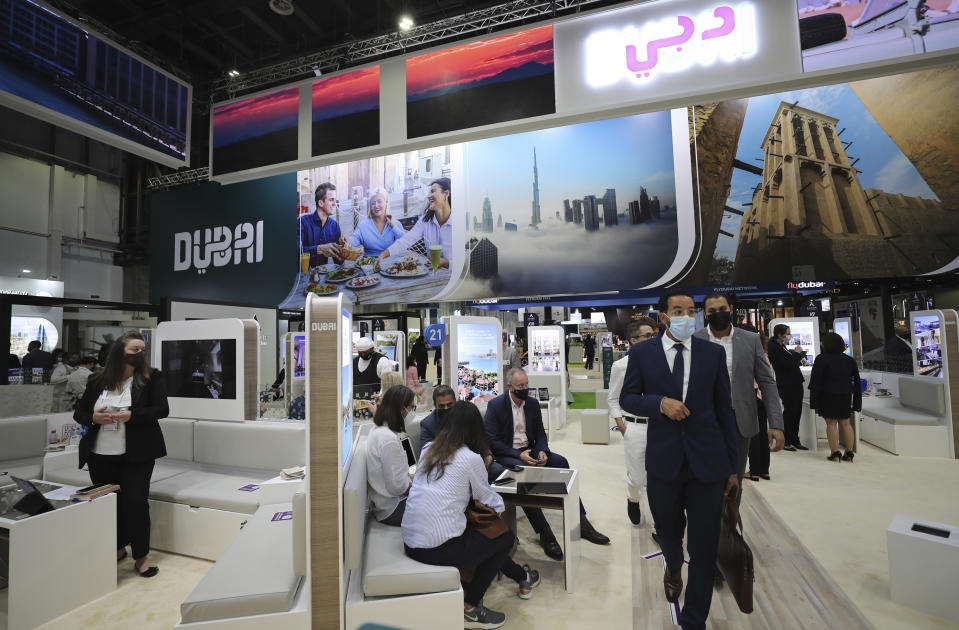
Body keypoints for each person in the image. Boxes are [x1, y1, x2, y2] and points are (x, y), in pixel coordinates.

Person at [619, 289, 739, 630]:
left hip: (707, 462)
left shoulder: (712, 354)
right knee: (669, 533)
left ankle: (694, 621)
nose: (686, 316)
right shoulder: (643, 353)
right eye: (678, 310)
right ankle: (673, 566)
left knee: (703, 547)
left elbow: (724, 410)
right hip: (664, 461)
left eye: (691, 310)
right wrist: (659, 403)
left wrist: (731, 467)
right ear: (665, 316)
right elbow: (628, 398)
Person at [403, 401, 540, 629]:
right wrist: (503, 503)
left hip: (410, 542)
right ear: (476, 428)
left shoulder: (428, 449)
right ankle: (470, 607)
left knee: (488, 539)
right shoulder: (470, 458)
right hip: (437, 548)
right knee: (503, 537)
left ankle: (521, 576)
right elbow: (488, 499)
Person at [485, 367, 610, 557]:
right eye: (521, 385)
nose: (525, 388)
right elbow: (493, 442)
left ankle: (581, 522)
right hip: (509, 454)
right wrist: (519, 455)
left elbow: (541, 434)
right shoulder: (496, 406)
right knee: (525, 475)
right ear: (510, 386)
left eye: (527, 384)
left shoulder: (532, 404)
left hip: (532, 449)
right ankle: (545, 533)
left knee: (561, 463)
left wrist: (542, 450)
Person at [73, 331, 169, 578]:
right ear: (120, 352)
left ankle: (141, 557)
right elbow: (80, 413)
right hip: (101, 454)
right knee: (109, 503)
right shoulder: (97, 381)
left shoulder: (151, 378)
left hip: (137, 454)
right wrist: (93, 418)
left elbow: (162, 409)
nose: (140, 354)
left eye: (142, 350)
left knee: (136, 503)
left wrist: (132, 416)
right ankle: (117, 548)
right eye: (135, 350)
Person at [694, 294, 785, 497]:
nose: (718, 314)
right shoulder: (694, 340)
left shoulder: (750, 340)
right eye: (712, 311)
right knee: (705, 480)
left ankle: (729, 527)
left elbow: (767, 383)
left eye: (722, 308)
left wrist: (776, 424)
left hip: (740, 420)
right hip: (704, 420)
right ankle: (711, 527)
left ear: (731, 309)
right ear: (705, 314)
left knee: (734, 481)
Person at [608, 317, 658, 526]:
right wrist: (621, 424)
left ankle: (661, 523)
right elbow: (612, 397)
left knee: (658, 478)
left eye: (654, 335)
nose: (653, 339)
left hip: (660, 426)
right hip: (634, 427)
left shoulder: (663, 362)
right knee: (637, 477)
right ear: (633, 340)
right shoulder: (621, 366)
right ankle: (632, 498)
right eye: (648, 336)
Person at [374, 178, 452, 272]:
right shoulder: (425, 220)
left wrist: (446, 263)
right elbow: (406, 240)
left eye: (433, 191)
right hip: (432, 275)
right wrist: (383, 255)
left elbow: (467, 262)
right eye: (429, 192)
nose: (429, 196)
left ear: (446, 194)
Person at [809, 332, 862, 462]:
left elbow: (816, 380)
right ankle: (849, 453)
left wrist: (814, 401)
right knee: (846, 423)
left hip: (828, 394)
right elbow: (856, 380)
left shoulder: (821, 358)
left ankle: (835, 453)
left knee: (831, 423)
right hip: (845, 394)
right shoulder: (849, 360)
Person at [368, 385, 416, 526]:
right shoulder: (388, 439)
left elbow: (395, 475)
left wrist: (413, 478)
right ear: (401, 409)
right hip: (393, 509)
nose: (412, 412)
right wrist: (420, 486)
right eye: (411, 408)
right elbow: (397, 487)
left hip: (387, 504)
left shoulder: (380, 430)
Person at [768, 323, 809, 451]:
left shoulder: (782, 346)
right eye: (788, 333)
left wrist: (799, 355)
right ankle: (786, 440)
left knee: (796, 412)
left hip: (795, 382)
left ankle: (794, 439)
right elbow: (788, 364)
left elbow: (791, 360)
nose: (789, 336)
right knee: (790, 412)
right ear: (780, 335)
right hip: (787, 384)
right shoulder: (774, 347)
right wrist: (798, 354)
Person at [347, 187, 406, 258]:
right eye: (373, 203)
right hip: (368, 266)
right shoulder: (363, 225)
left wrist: (393, 227)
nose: (376, 206)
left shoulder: (396, 224)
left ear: (386, 202)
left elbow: (405, 244)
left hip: (391, 266)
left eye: (379, 201)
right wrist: (346, 240)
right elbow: (353, 242)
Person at [300, 182, 344, 264]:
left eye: (335, 200)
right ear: (320, 203)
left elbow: (338, 261)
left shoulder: (334, 226)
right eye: (331, 200)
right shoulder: (302, 222)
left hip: (324, 275)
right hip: (303, 275)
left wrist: (344, 250)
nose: (335, 204)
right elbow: (295, 251)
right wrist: (319, 249)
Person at [417, 385, 456, 454]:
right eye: (441, 406)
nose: (446, 408)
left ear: (455, 401)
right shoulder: (428, 424)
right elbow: (425, 453)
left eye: (449, 404)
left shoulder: (463, 416)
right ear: (435, 405)